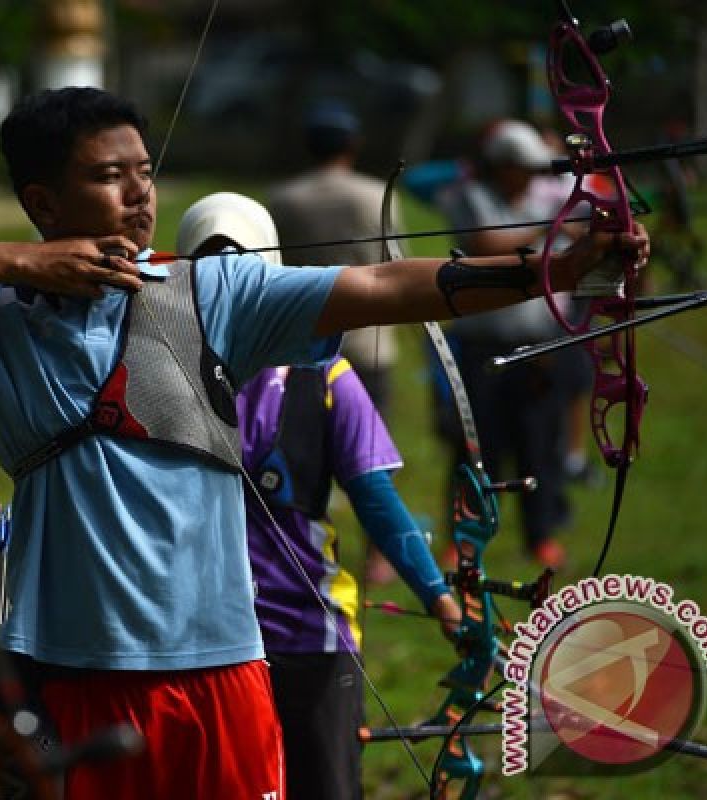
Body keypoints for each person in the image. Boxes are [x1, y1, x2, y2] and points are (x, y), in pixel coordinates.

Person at [0, 86, 647, 799]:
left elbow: (384, 285)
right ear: (43, 203)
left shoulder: (212, 291)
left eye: (144, 174)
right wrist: (20, 267)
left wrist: (557, 271)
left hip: (216, 670)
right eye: (109, 178)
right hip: (61, 670)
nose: (139, 197)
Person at [177, 192, 461, 800]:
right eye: (210, 269)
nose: (227, 285)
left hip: (306, 635)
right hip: (196, 641)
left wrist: (437, 594)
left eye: (243, 269)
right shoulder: (156, 372)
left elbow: (375, 499)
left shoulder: (325, 377)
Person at [436, 118, 586, 570]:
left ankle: (540, 536)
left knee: (537, 442)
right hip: (483, 349)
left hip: (540, 347)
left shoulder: (548, 199)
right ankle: (464, 537)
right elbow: (486, 245)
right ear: (502, 167)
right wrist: (546, 229)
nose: (533, 176)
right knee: (476, 448)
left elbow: (578, 245)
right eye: (524, 167)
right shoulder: (471, 197)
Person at [268, 100, 403, 586]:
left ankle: (290, 548)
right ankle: (380, 557)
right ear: (353, 144)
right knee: (372, 457)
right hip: (367, 340)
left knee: (298, 454)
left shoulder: (283, 199)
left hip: (302, 340)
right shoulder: (373, 195)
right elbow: (396, 262)